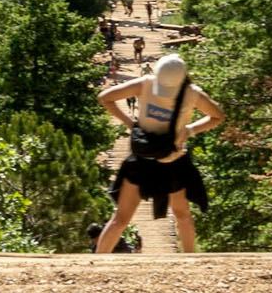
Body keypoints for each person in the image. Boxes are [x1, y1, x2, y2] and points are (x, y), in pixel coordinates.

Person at [95, 53, 224, 253]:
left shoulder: (145, 83)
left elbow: (105, 98)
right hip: (173, 160)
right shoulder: (192, 93)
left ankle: (98, 262)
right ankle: (189, 261)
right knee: (183, 216)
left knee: (120, 219)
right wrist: (188, 131)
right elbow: (217, 116)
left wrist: (131, 124)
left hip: (142, 159)